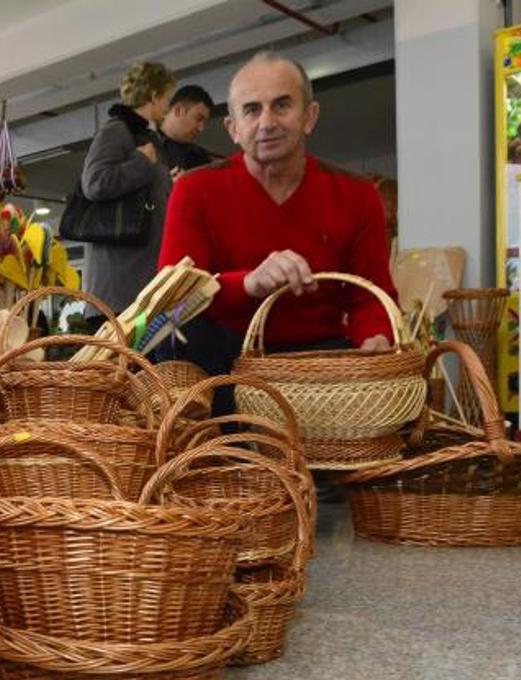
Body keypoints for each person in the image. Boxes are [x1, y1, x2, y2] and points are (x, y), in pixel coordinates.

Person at [158, 50, 398, 412]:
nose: (267, 122)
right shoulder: (194, 190)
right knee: (182, 335)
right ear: (233, 129)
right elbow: (173, 297)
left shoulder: (357, 193)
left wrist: (375, 336)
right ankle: (221, 445)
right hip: (226, 358)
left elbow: (371, 295)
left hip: (318, 356)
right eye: (252, 110)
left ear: (309, 116)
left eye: (282, 105)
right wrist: (249, 283)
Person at [78, 61, 174, 315]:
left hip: (137, 280)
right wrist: (142, 162)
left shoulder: (145, 136)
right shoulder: (117, 131)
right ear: (154, 95)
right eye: (167, 97)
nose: (168, 105)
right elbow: (94, 183)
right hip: (120, 288)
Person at [161, 84, 216, 175]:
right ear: (178, 110)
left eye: (205, 123)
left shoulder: (201, 158)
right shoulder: (143, 146)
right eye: (198, 119)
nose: (201, 128)